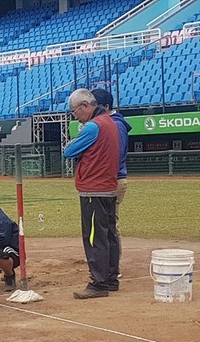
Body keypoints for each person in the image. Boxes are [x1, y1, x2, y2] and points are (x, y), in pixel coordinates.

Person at [64, 88, 120, 299]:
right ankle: (111, 278)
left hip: (93, 189)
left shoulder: (93, 127)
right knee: (109, 235)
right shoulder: (110, 122)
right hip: (108, 187)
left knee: (95, 237)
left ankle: (99, 282)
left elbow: (68, 151)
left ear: (86, 106)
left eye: (74, 111)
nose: (75, 116)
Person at [90, 88, 131, 277]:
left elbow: (116, 154)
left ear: (105, 106)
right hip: (107, 180)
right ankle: (107, 263)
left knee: (109, 224)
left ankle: (112, 267)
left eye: (95, 105)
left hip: (113, 180)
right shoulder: (105, 123)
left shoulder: (116, 125)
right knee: (104, 223)